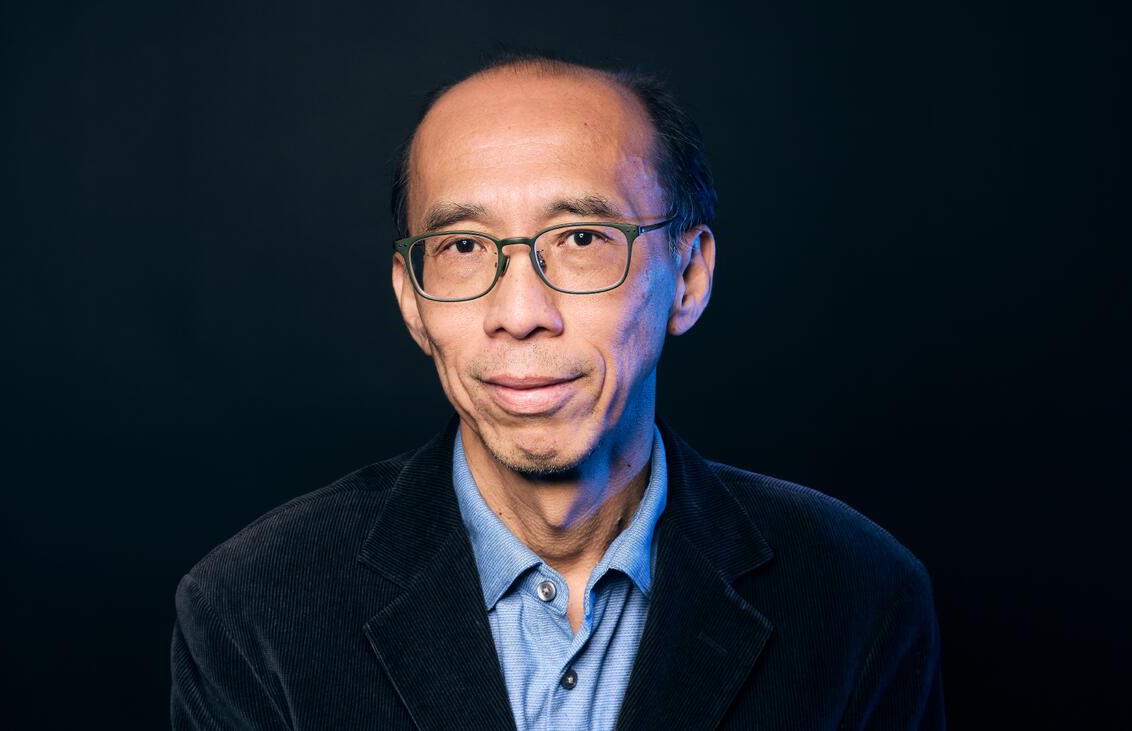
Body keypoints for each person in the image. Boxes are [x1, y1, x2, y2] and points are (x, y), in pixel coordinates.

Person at [170, 51, 944, 730]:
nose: (519, 314)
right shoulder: (254, 607)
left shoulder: (856, 595)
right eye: (465, 247)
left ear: (689, 277)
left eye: (579, 240)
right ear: (411, 298)